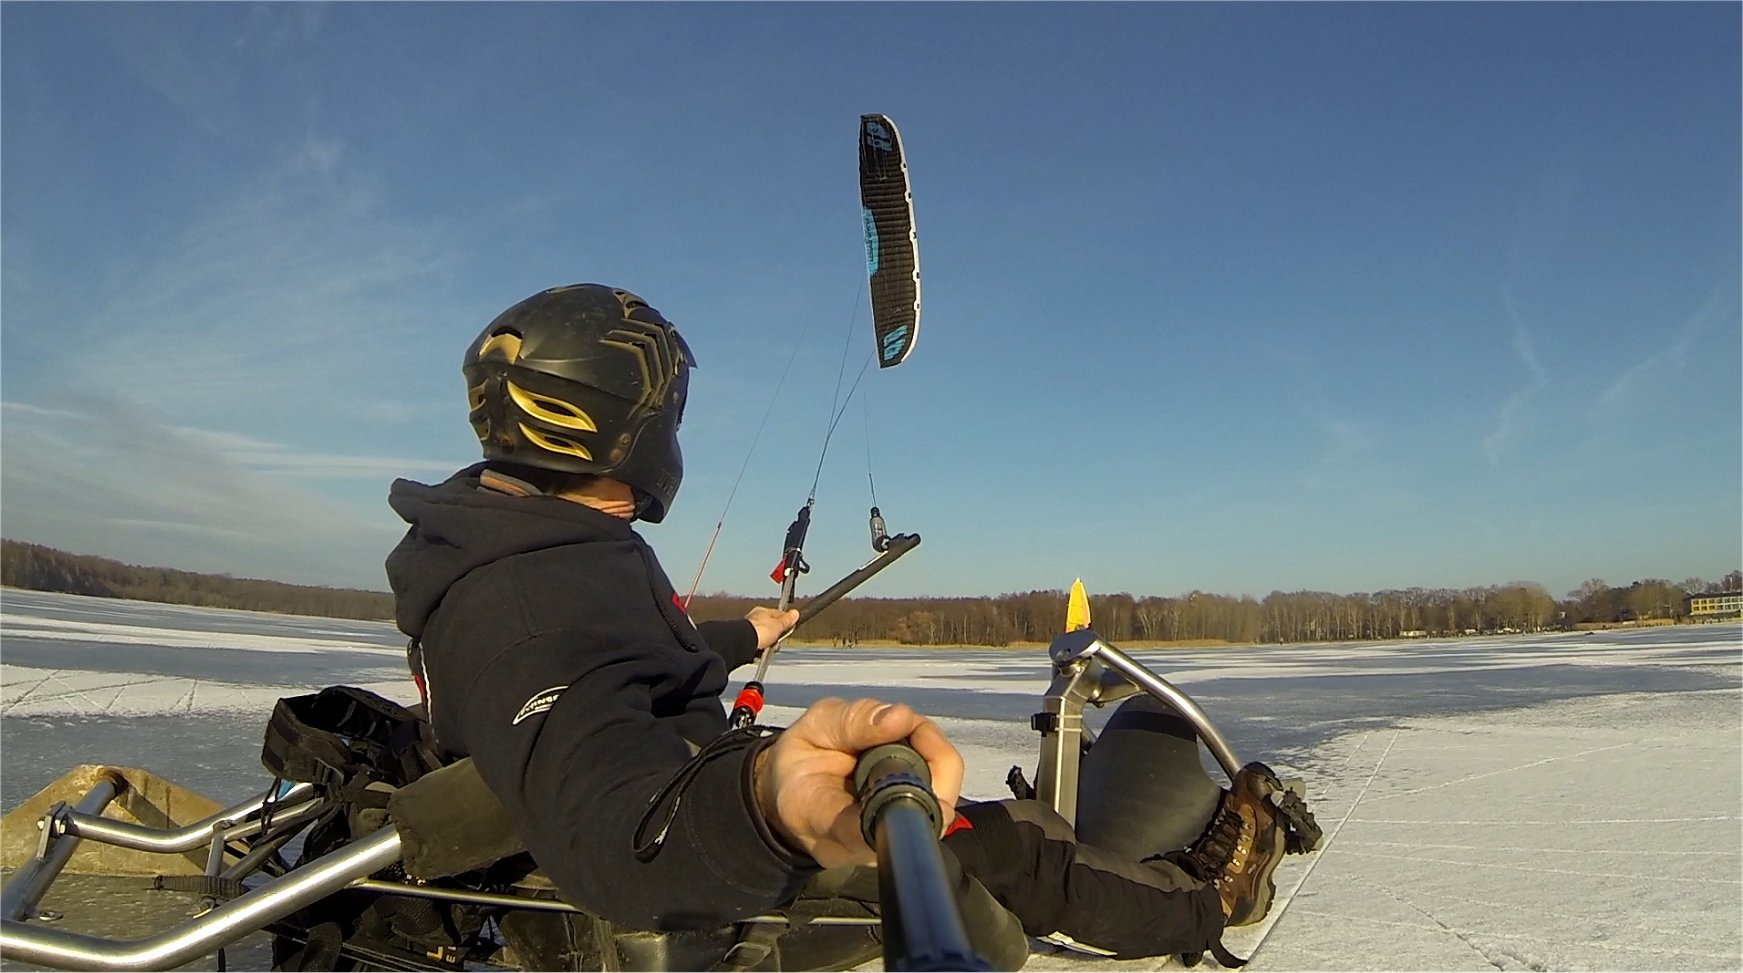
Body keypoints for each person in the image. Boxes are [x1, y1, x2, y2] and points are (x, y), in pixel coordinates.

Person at [384, 283, 1301, 971]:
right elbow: (603, 814)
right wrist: (766, 803)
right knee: (1006, 837)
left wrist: (741, 636)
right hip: (689, 855)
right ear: (629, 427)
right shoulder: (528, 599)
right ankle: (1205, 904)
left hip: (681, 777)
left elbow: (615, 667)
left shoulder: (516, 543)